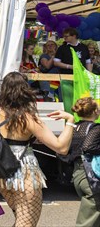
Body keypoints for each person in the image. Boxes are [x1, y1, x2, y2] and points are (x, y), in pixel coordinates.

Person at [0, 72, 75, 227]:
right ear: (25, 90)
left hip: (1, 172)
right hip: (24, 172)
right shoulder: (27, 117)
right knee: (27, 223)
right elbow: (61, 147)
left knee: (20, 220)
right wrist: (70, 121)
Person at [65, 97, 100, 227]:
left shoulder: (74, 128)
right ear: (95, 111)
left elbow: (62, 151)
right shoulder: (96, 128)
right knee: (89, 219)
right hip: (91, 174)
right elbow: (88, 146)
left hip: (77, 173)